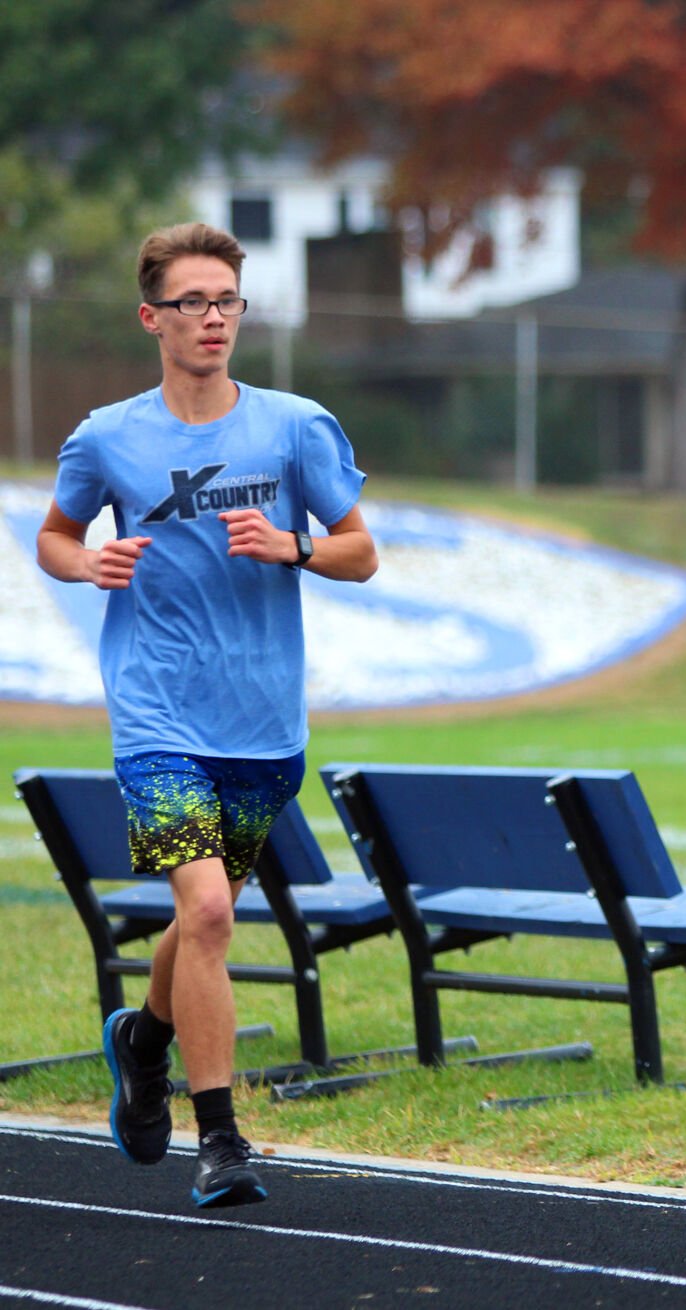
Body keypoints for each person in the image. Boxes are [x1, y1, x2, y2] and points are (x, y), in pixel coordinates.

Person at [36, 222, 378, 1208]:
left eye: (227, 299)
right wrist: (86, 562)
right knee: (214, 909)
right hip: (156, 715)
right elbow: (57, 535)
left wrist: (294, 546)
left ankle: (142, 1039)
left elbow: (361, 549)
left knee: (199, 922)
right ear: (153, 317)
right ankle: (220, 1137)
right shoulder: (106, 436)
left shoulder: (294, 427)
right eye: (193, 302)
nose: (214, 317)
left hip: (265, 725)